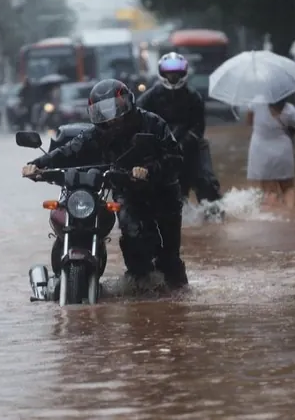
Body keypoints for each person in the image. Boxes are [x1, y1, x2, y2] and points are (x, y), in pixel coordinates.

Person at [21, 79, 189, 289]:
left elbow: (176, 158)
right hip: (127, 191)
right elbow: (68, 151)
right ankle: (139, 286)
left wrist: (149, 170)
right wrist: (37, 165)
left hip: (163, 194)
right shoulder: (96, 133)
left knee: (169, 258)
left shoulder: (153, 124)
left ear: (127, 104)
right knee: (132, 236)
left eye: (115, 109)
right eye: (102, 113)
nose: (111, 119)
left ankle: (177, 299)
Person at [137, 52, 223, 209]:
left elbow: (198, 128)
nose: (173, 76)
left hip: (190, 147)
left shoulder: (194, 97)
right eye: (169, 73)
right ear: (163, 73)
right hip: (160, 150)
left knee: (207, 183)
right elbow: (140, 126)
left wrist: (182, 144)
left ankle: (215, 215)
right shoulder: (147, 98)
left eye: (176, 73)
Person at [245, 97, 295, 208]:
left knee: (270, 191)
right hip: (283, 151)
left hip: (261, 151)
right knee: (288, 188)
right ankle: (291, 214)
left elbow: (248, 122)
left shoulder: (255, 102)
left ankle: (275, 218)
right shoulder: (288, 109)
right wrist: (292, 130)